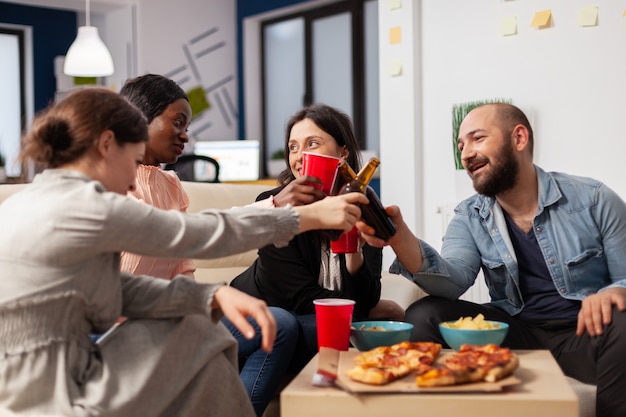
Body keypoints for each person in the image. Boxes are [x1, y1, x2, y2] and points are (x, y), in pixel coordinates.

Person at [0, 87, 368, 417]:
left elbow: (118, 287)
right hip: (56, 394)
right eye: (132, 162)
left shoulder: (34, 199)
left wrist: (211, 294)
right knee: (199, 334)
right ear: (106, 145)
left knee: (200, 333)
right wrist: (302, 217)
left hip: (45, 375)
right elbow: (197, 234)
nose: (132, 181)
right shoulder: (85, 206)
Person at [357, 102, 626, 417]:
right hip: (513, 335)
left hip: (585, 336)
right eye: (461, 145)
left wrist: (614, 291)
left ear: (519, 138)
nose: (466, 153)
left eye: (477, 139)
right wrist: (398, 236)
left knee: (622, 317)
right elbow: (452, 281)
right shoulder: (469, 216)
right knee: (423, 313)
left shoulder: (592, 199)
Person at [118, 73, 298, 417]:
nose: (186, 135)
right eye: (178, 123)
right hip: (124, 328)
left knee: (278, 324)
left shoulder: (172, 185)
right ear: (139, 119)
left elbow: (183, 268)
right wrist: (274, 205)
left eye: (188, 124)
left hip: (174, 318)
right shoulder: (113, 185)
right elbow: (180, 232)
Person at [231, 103, 404, 371]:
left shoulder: (363, 207)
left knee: (370, 326)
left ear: (343, 152)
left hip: (306, 318)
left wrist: (354, 254)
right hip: (263, 317)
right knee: (346, 330)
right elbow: (300, 297)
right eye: (293, 147)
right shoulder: (273, 204)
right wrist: (364, 311)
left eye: (312, 143)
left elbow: (368, 296)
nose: (299, 156)